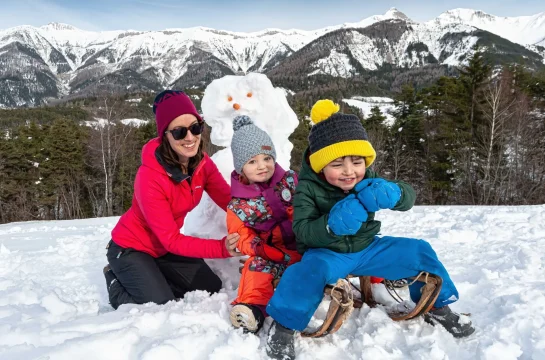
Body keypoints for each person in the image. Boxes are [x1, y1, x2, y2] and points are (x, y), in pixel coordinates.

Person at [265, 100, 475, 360]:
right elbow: (304, 231)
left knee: (419, 251)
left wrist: (396, 193)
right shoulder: (308, 188)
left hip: (368, 247)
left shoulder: (368, 179)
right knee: (305, 273)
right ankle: (284, 325)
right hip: (328, 253)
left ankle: (437, 306)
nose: (349, 171)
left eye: (357, 162)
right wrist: (330, 225)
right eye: (338, 164)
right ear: (321, 165)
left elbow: (408, 198)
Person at [103, 90, 241, 310]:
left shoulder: (201, 164)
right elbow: (172, 240)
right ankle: (115, 279)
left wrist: (257, 216)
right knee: (158, 304)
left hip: (163, 251)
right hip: (131, 248)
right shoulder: (149, 178)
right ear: (165, 135)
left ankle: (153, 279)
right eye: (179, 132)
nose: (190, 137)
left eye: (196, 127)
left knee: (210, 286)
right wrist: (222, 247)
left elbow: (228, 199)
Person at [226, 115, 301, 333]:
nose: (262, 166)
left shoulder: (291, 181)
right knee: (255, 268)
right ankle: (253, 309)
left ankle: (379, 281)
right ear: (241, 167)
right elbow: (239, 234)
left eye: (267, 158)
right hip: (272, 253)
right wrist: (257, 247)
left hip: (306, 245)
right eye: (252, 161)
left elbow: (309, 203)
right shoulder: (239, 205)